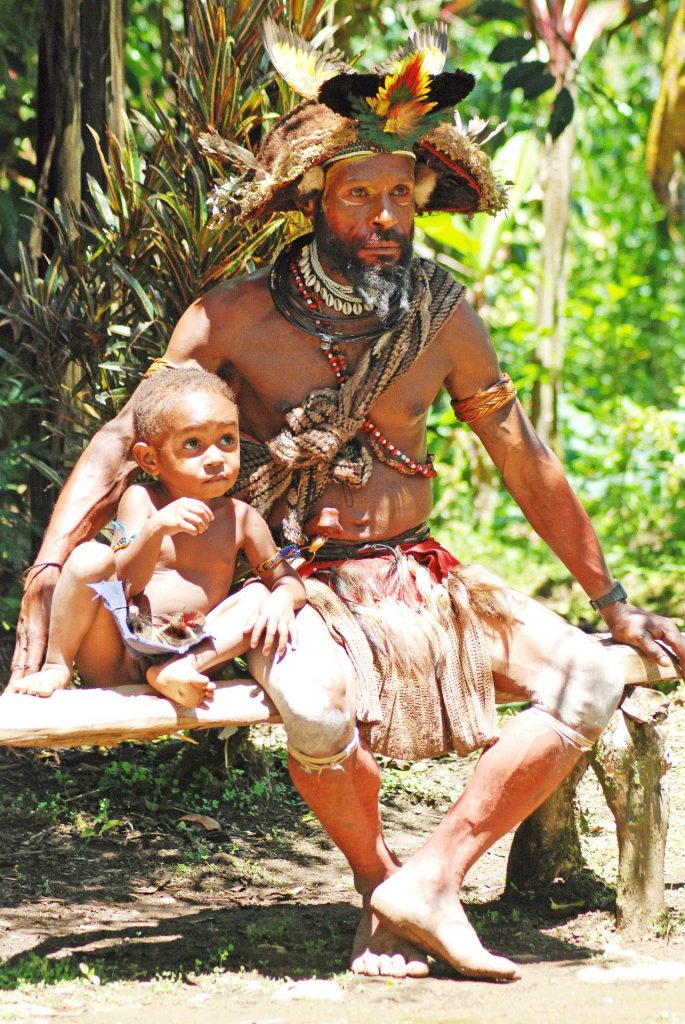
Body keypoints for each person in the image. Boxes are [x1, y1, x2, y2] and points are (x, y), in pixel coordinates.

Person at [8, 23, 685, 981]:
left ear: (422, 198)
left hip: (420, 576)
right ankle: (380, 881)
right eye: (358, 191)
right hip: (296, 589)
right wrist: (47, 571)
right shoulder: (233, 315)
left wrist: (612, 599)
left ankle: (431, 880)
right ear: (314, 199)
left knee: (589, 677)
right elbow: (126, 436)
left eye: (398, 193)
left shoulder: (444, 318)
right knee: (317, 710)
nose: (382, 212)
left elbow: (522, 456)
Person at [9, 367, 305, 707]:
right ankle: (56, 665)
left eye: (227, 440)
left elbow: (287, 581)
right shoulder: (142, 500)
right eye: (193, 444)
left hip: (188, 652)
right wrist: (155, 529)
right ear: (150, 459)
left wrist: (282, 599)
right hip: (117, 651)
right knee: (91, 557)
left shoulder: (242, 519)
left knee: (257, 594)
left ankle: (176, 670)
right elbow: (126, 584)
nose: (215, 458)